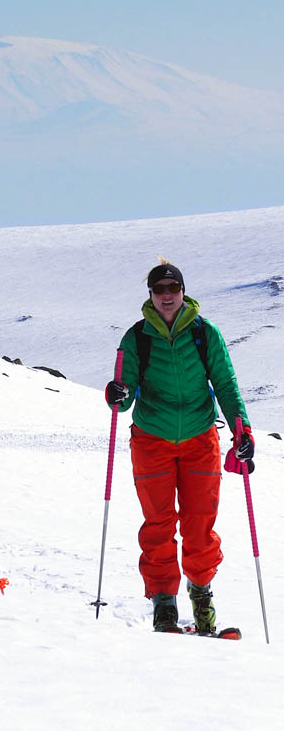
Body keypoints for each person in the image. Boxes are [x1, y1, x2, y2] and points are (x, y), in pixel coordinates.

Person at [105, 261, 255, 634]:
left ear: (183, 292)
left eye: (173, 289)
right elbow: (122, 397)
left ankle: (201, 596)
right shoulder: (137, 337)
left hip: (199, 439)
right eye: (160, 290)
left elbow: (225, 382)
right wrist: (116, 394)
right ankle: (164, 605)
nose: (167, 296)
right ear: (151, 296)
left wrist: (243, 430)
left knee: (199, 523)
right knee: (158, 523)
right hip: (151, 439)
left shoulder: (206, 334)